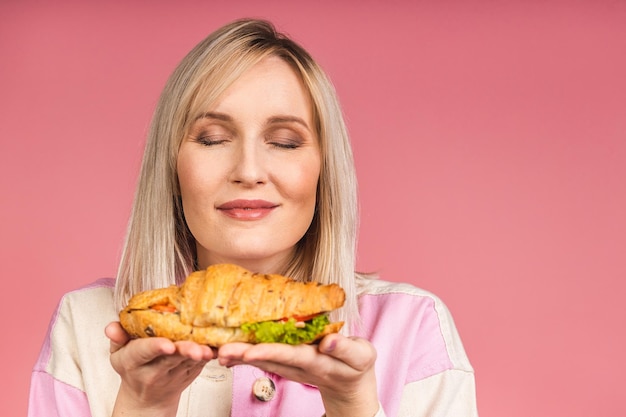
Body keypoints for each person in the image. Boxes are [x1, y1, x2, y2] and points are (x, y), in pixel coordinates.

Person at [28, 19, 478, 417]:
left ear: (324, 169)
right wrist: (144, 407)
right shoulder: (90, 325)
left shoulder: (412, 327)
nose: (247, 171)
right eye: (212, 139)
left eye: (284, 142)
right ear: (172, 166)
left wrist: (351, 408)